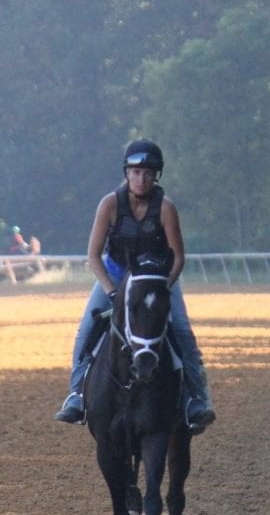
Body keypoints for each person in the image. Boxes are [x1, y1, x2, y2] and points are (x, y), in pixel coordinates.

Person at [53, 139, 216, 434]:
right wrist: (111, 291)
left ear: (157, 176)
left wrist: (164, 288)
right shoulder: (110, 205)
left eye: (148, 173)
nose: (141, 179)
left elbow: (178, 257)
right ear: (127, 174)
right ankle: (76, 394)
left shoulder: (166, 208)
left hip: (156, 280)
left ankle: (196, 399)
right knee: (86, 330)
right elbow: (93, 255)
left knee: (181, 330)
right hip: (115, 276)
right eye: (135, 172)